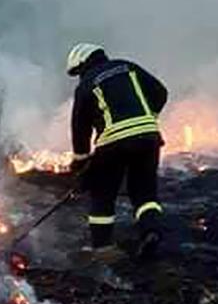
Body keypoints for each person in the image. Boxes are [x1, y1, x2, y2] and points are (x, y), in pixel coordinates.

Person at [65, 43, 168, 259]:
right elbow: (160, 92)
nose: (79, 76)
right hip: (148, 137)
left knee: (103, 193)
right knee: (145, 192)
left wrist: (81, 160)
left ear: (83, 63)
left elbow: (80, 126)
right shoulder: (127, 66)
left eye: (78, 71)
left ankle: (103, 249)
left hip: (113, 143)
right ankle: (151, 231)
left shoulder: (86, 84)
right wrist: (148, 117)